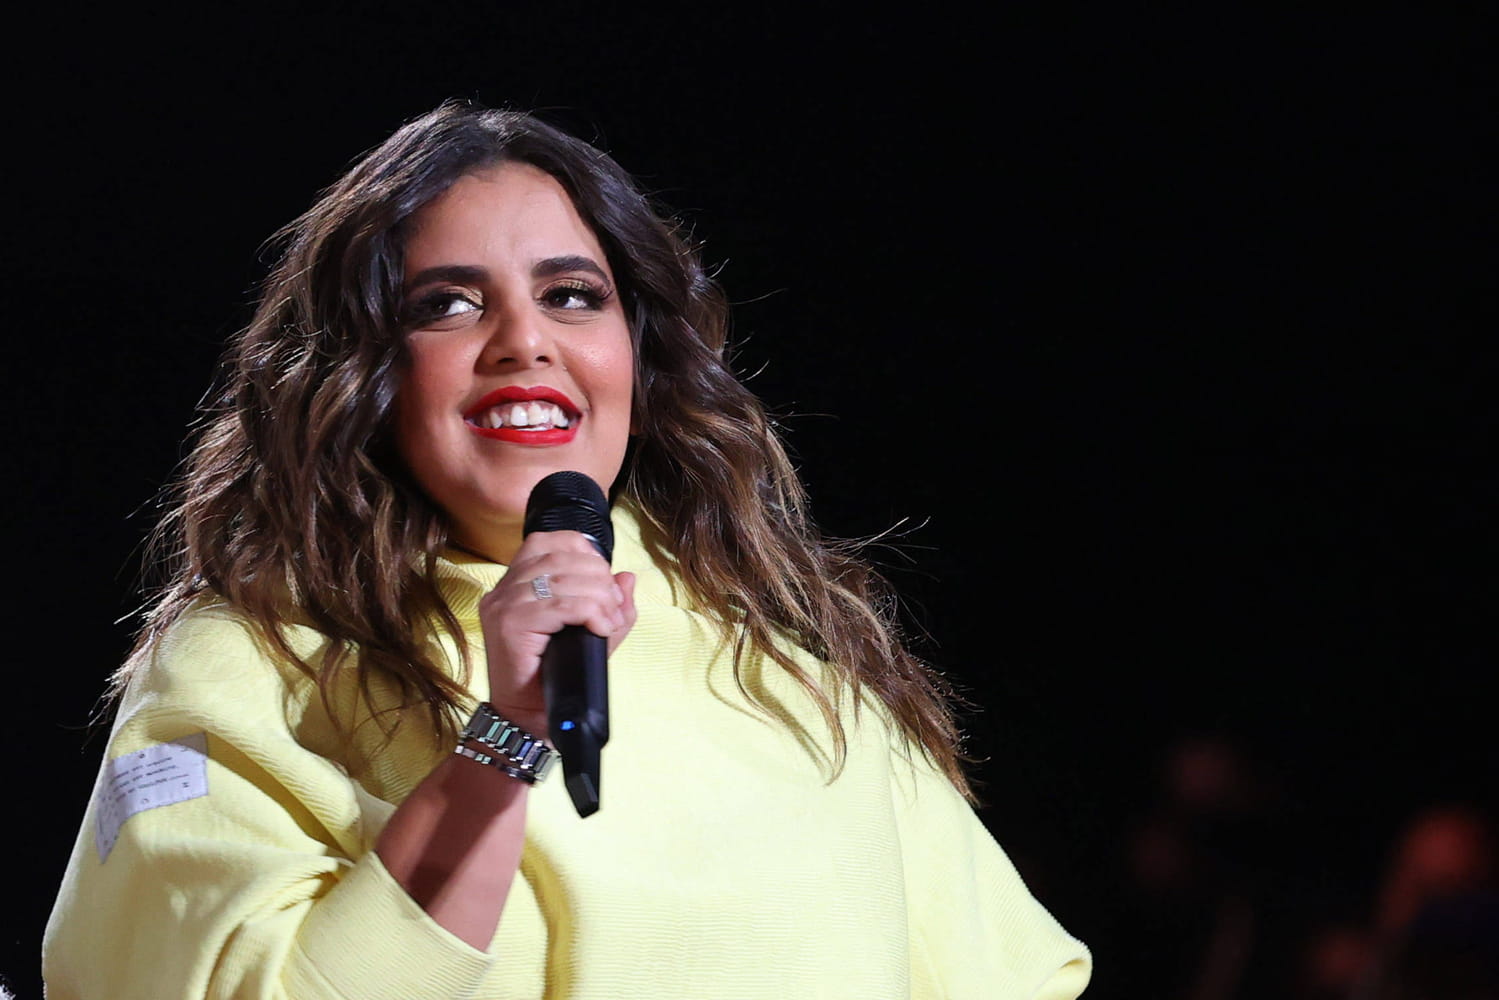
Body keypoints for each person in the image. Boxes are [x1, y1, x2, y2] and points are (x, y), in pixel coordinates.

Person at [44, 101, 1091, 999]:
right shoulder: (248, 669)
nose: (523, 340)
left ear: (638, 355)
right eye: (448, 303)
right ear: (362, 373)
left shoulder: (793, 675)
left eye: (572, 295)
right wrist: (505, 739)